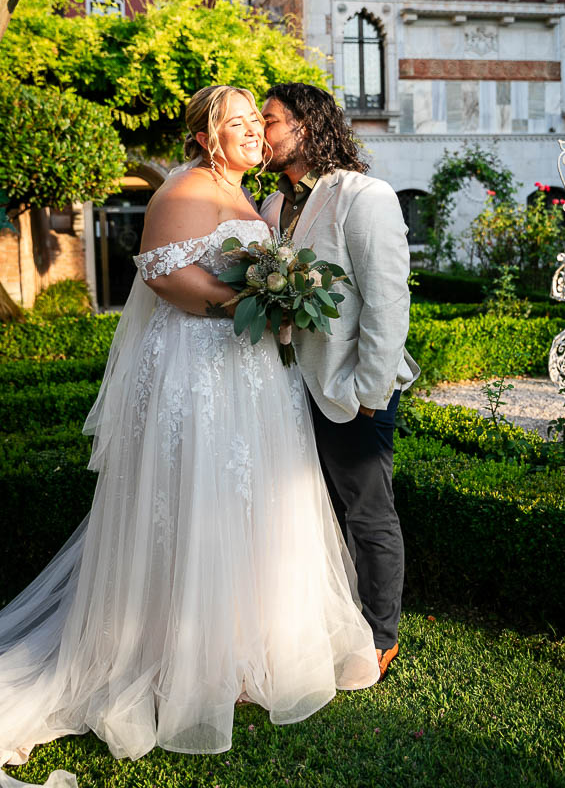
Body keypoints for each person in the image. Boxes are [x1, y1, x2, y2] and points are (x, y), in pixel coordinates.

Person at [0, 85, 379, 788]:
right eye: (235, 124)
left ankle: (243, 652)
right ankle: (177, 656)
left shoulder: (252, 201)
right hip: (196, 370)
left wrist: (277, 304)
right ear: (206, 136)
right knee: (196, 501)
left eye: (253, 124)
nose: (251, 135)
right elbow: (165, 277)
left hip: (255, 372)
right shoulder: (184, 187)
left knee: (252, 506)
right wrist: (253, 300)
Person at [260, 83, 419, 679]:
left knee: (367, 512)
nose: (262, 133)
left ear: (305, 125)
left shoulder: (364, 195)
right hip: (288, 388)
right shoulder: (274, 208)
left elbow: (386, 302)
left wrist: (369, 394)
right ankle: (326, 619)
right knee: (309, 511)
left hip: (352, 389)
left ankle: (380, 634)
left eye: (271, 121)